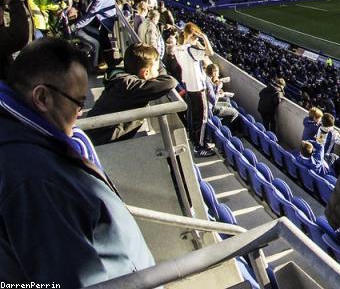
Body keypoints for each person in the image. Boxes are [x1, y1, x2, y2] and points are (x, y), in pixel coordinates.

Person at [0, 37, 155, 284]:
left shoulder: (29, 144)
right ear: (42, 98)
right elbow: (74, 278)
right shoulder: (36, 181)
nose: (81, 113)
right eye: (78, 102)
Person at [84, 43, 178, 145]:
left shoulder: (123, 79)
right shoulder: (130, 87)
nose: (158, 71)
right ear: (145, 73)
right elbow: (170, 82)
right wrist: (160, 72)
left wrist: (156, 70)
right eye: (156, 69)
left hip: (96, 136)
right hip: (100, 144)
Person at [175, 25, 215, 157]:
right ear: (194, 35)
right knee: (202, 118)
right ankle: (200, 146)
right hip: (197, 87)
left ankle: (196, 141)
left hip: (189, 85)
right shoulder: (190, 50)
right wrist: (205, 38)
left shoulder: (178, 48)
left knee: (193, 115)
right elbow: (210, 53)